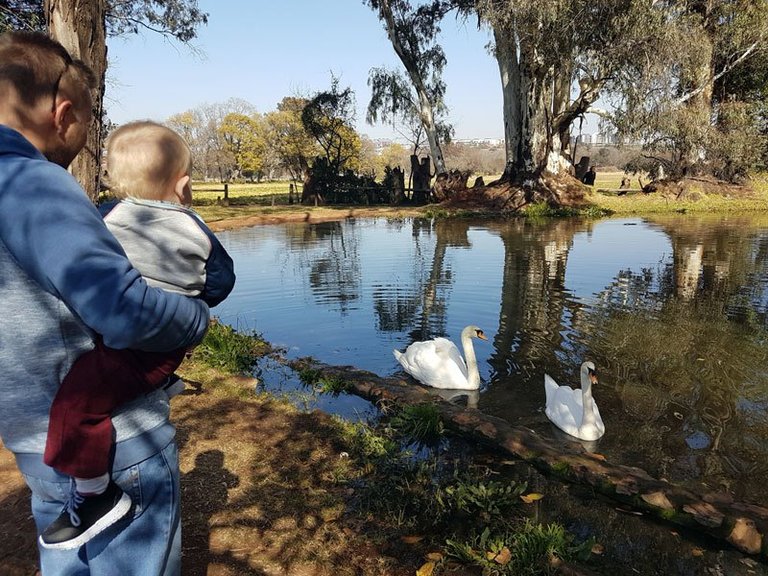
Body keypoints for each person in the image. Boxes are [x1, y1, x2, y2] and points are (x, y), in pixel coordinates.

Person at [0, 31, 209, 575]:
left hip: (33, 437)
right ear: (63, 112)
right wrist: (194, 319)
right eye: (88, 126)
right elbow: (123, 311)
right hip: (116, 442)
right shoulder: (32, 184)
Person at [40, 120, 236, 550]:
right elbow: (221, 281)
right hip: (170, 346)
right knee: (127, 372)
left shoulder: (106, 215)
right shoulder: (196, 227)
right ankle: (165, 380)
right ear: (183, 184)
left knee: (77, 406)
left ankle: (95, 492)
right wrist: (191, 299)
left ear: (113, 179)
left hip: (129, 348)